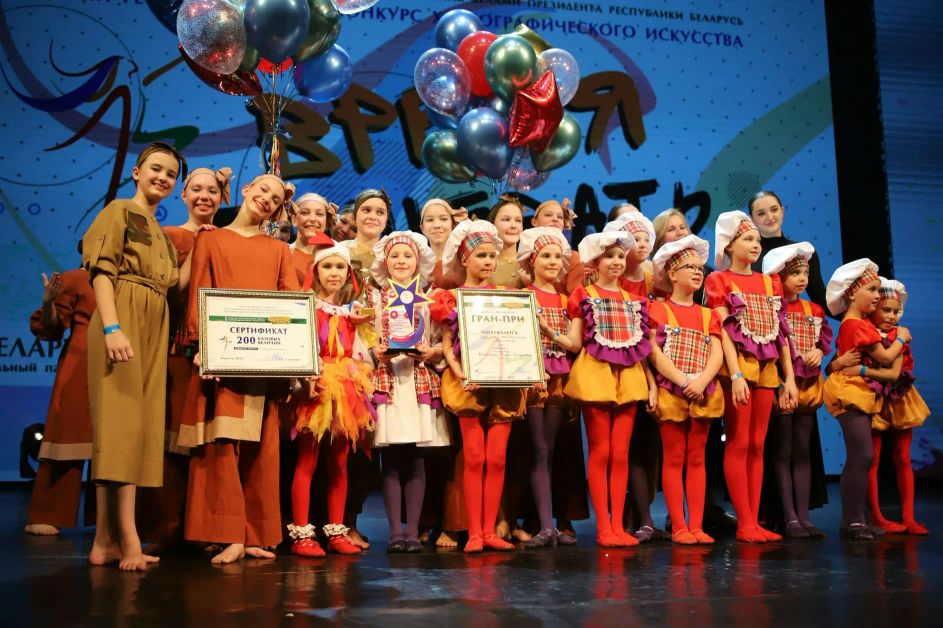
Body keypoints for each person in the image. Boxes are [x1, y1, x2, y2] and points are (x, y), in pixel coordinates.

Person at [181, 173, 298, 564]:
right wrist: (202, 346)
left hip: (264, 362)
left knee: (261, 449)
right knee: (224, 445)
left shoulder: (278, 250)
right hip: (223, 357)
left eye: (276, 199)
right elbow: (199, 291)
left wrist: (295, 358)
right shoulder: (210, 239)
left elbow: (291, 302)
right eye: (263, 190)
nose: (267, 199)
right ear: (246, 190)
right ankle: (228, 533)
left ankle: (253, 534)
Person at [82, 142, 184, 570]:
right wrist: (112, 327)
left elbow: (175, 283)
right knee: (120, 426)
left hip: (153, 322)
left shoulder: (161, 232)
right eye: (156, 168)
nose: (163, 177)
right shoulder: (119, 211)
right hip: (121, 315)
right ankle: (129, 539)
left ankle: (104, 540)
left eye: (170, 174)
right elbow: (102, 271)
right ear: (137, 172)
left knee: (134, 430)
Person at [136, 166, 230, 553]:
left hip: (219, 354)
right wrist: (201, 248)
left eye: (212, 190)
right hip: (176, 350)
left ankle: (205, 528)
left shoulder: (227, 239)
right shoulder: (169, 236)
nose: (205, 196)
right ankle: (166, 529)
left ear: (222, 198)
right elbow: (169, 289)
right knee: (171, 440)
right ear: (184, 195)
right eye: (197, 189)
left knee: (208, 444)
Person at [431, 220, 527, 553]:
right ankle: (474, 532)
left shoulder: (508, 297)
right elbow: (447, 345)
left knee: (497, 458)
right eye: (480, 255)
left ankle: (489, 531)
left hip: (504, 383)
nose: (487, 261)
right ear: (465, 259)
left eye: (491, 256)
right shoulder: (451, 298)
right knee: (473, 456)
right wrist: (460, 373)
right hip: (468, 384)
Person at [706, 211, 798, 543]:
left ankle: (754, 520)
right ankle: (744, 523)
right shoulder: (719, 280)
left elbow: (781, 334)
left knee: (759, 444)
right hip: (740, 368)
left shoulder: (770, 282)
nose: (755, 244)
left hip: (768, 368)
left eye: (757, 239)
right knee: (739, 441)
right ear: (730, 245)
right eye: (748, 239)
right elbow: (723, 333)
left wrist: (790, 378)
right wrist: (734, 374)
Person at [561, 232, 657, 547]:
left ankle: (618, 525)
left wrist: (652, 385)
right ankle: (603, 526)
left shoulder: (634, 301)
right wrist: (549, 332)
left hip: (628, 377)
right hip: (596, 374)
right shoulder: (584, 295)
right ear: (596, 262)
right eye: (609, 257)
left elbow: (642, 350)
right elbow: (575, 341)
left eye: (619, 257)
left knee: (620, 452)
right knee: (601, 451)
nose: (616, 262)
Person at [290, 243, 377, 556]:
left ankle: (337, 530)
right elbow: (298, 346)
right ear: (315, 272)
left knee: (339, 463)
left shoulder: (352, 313)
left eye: (340, 267)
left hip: (346, 388)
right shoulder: (307, 307)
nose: (334, 273)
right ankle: (302, 533)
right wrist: (305, 378)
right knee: (307, 460)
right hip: (318, 385)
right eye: (327, 266)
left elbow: (362, 354)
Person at [368, 231, 449, 553]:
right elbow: (364, 337)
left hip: (417, 383)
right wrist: (375, 353)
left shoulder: (430, 299)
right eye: (395, 256)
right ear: (385, 261)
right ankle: (394, 532)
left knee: (416, 458)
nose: (401, 261)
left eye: (407, 256)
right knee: (390, 458)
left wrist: (432, 352)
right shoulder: (374, 299)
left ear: (418, 262)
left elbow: (443, 340)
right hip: (387, 381)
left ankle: (413, 532)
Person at [823, 259, 912, 540]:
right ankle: (852, 522)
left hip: (858, 391)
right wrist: (902, 338)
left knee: (862, 456)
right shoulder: (856, 325)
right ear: (852, 293)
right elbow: (885, 358)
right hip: (849, 392)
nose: (876, 295)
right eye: (871, 290)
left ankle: (857, 520)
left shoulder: (858, 324)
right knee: (861, 455)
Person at [648, 235, 724, 544]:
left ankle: (697, 525)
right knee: (674, 457)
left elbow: (717, 351)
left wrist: (702, 381)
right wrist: (682, 380)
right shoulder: (659, 310)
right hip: (673, 390)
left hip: (703, 391)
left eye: (700, 268)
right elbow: (654, 351)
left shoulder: (708, 314)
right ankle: (678, 526)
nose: (697, 272)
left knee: (697, 458)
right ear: (672, 273)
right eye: (689, 267)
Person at [762, 243, 832, 539]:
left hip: (808, 386)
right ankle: (788, 516)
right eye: (795, 274)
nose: (803, 279)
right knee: (783, 449)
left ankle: (804, 516)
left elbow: (822, 340)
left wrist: (818, 351)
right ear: (780, 277)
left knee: (803, 449)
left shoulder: (814, 309)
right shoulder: (773, 309)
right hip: (782, 385)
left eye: (805, 273)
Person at [25, 257, 95, 536]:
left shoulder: (127, 279)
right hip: (81, 362)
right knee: (68, 434)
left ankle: (109, 517)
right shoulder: (77, 278)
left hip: (120, 361)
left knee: (114, 444)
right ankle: (48, 511)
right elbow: (51, 329)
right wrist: (48, 303)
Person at [603, 209, 662, 541]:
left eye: (644, 238)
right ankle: (623, 518)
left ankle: (641, 516)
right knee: (621, 447)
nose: (640, 244)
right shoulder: (612, 282)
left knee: (646, 446)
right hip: (622, 368)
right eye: (633, 239)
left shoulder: (656, 280)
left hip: (653, 367)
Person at [517, 227, 577, 548]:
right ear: (532, 260)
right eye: (546, 256)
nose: (553, 262)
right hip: (532, 377)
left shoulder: (567, 300)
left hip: (558, 378)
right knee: (538, 449)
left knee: (549, 450)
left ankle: (547, 523)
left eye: (557, 257)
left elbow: (574, 344)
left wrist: (550, 331)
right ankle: (542, 524)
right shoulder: (523, 296)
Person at [339, 189, 392, 549]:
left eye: (379, 212)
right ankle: (331, 521)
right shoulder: (339, 252)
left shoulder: (394, 254)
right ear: (354, 215)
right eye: (366, 210)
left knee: (367, 447)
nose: (372, 216)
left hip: (382, 357)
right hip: (344, 355)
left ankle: (350, 521)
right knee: (343, 441)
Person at [866, 278, 930, 535]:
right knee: (872, 458)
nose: (891, 316)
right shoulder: (865, 332)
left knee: (903, 456)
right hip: (873, 395)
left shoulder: (900, 335)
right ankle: (875, 516)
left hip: (900, 395)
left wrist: (899, 341)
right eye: (886, 310)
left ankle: (909, 517)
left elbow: (897, 368)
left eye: (895, 311)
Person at [747, 191, 827, 311]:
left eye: (774, 210)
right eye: (761, 213)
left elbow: (820, 299)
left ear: (782, 211)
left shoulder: (802, 252)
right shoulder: (747, 255)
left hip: (793, 320)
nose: (770, 217)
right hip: (755, 319)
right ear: (751, 219)